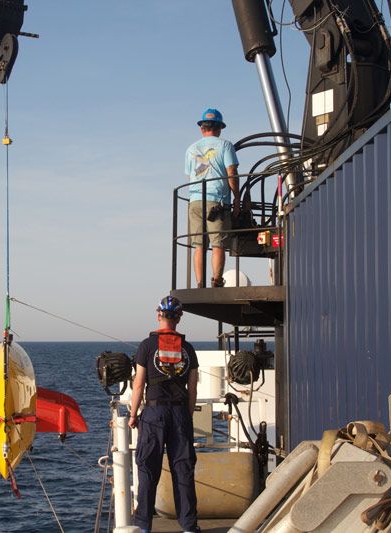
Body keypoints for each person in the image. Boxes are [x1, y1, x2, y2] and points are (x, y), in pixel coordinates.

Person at [128, 296, 200, 533]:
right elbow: (193, 388)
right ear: (179, 318)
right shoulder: (188, 349)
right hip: (180, 412)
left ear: (158, 315)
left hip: (154, 412)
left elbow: (138, 384)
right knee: (183, 469)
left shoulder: (147, 346)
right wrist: (187, 416)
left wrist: (132, 414)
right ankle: (189, 526)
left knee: (148, 468)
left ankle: (144, 526)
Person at [185, 108, 240, 288]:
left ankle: (200, 283)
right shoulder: (225, 146)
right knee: (218, 244)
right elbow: (231, 172)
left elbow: (190, 177)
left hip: (195, 201)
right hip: (217, 201)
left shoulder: (191, 149)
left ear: (202, 128)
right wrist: (237, 199)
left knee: (199, 245)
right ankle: (217, 281)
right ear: (219, 129)